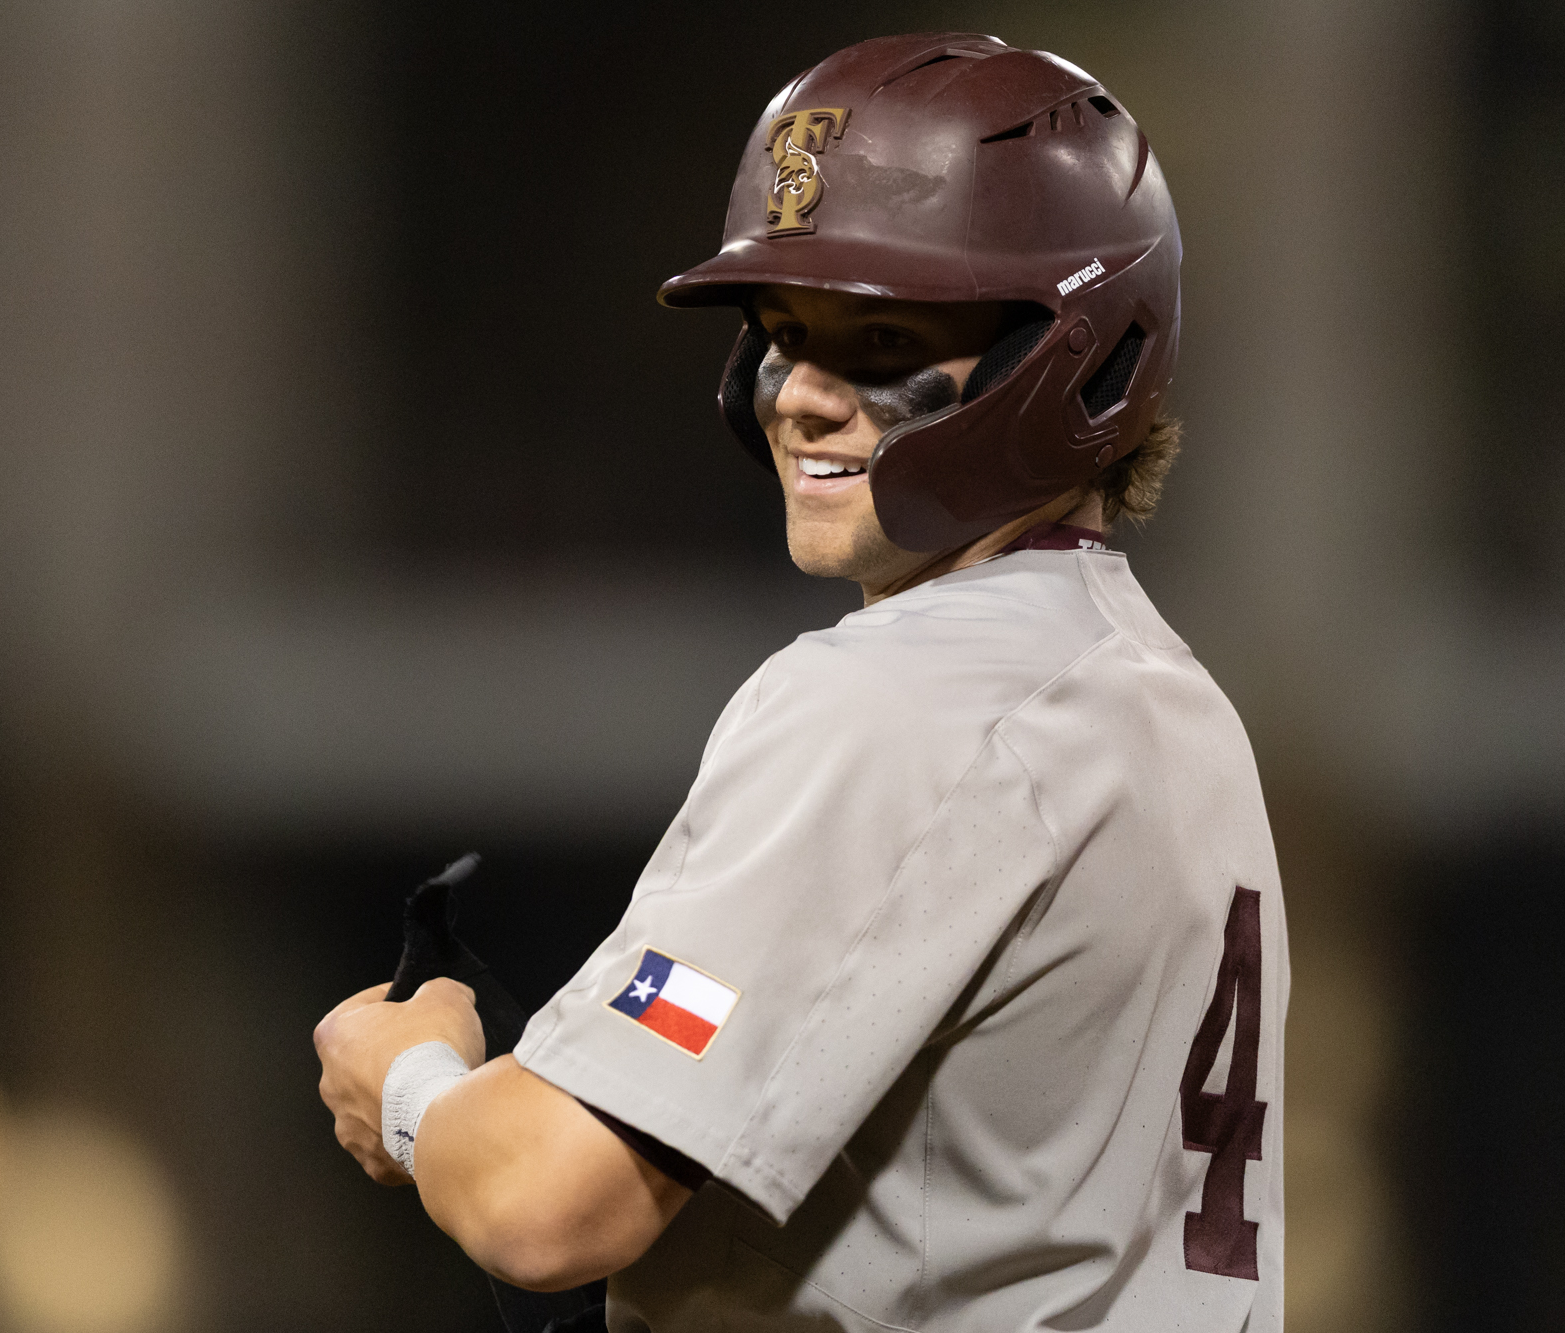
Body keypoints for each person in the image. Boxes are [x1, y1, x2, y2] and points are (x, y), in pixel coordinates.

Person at [315, 32, 1286, 1333]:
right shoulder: (1168, 702)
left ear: (1083, 355)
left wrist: (415, 1084)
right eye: (784, 336)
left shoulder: (903, 696)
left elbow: (549, 1198)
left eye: (881, 337)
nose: (802, 399)